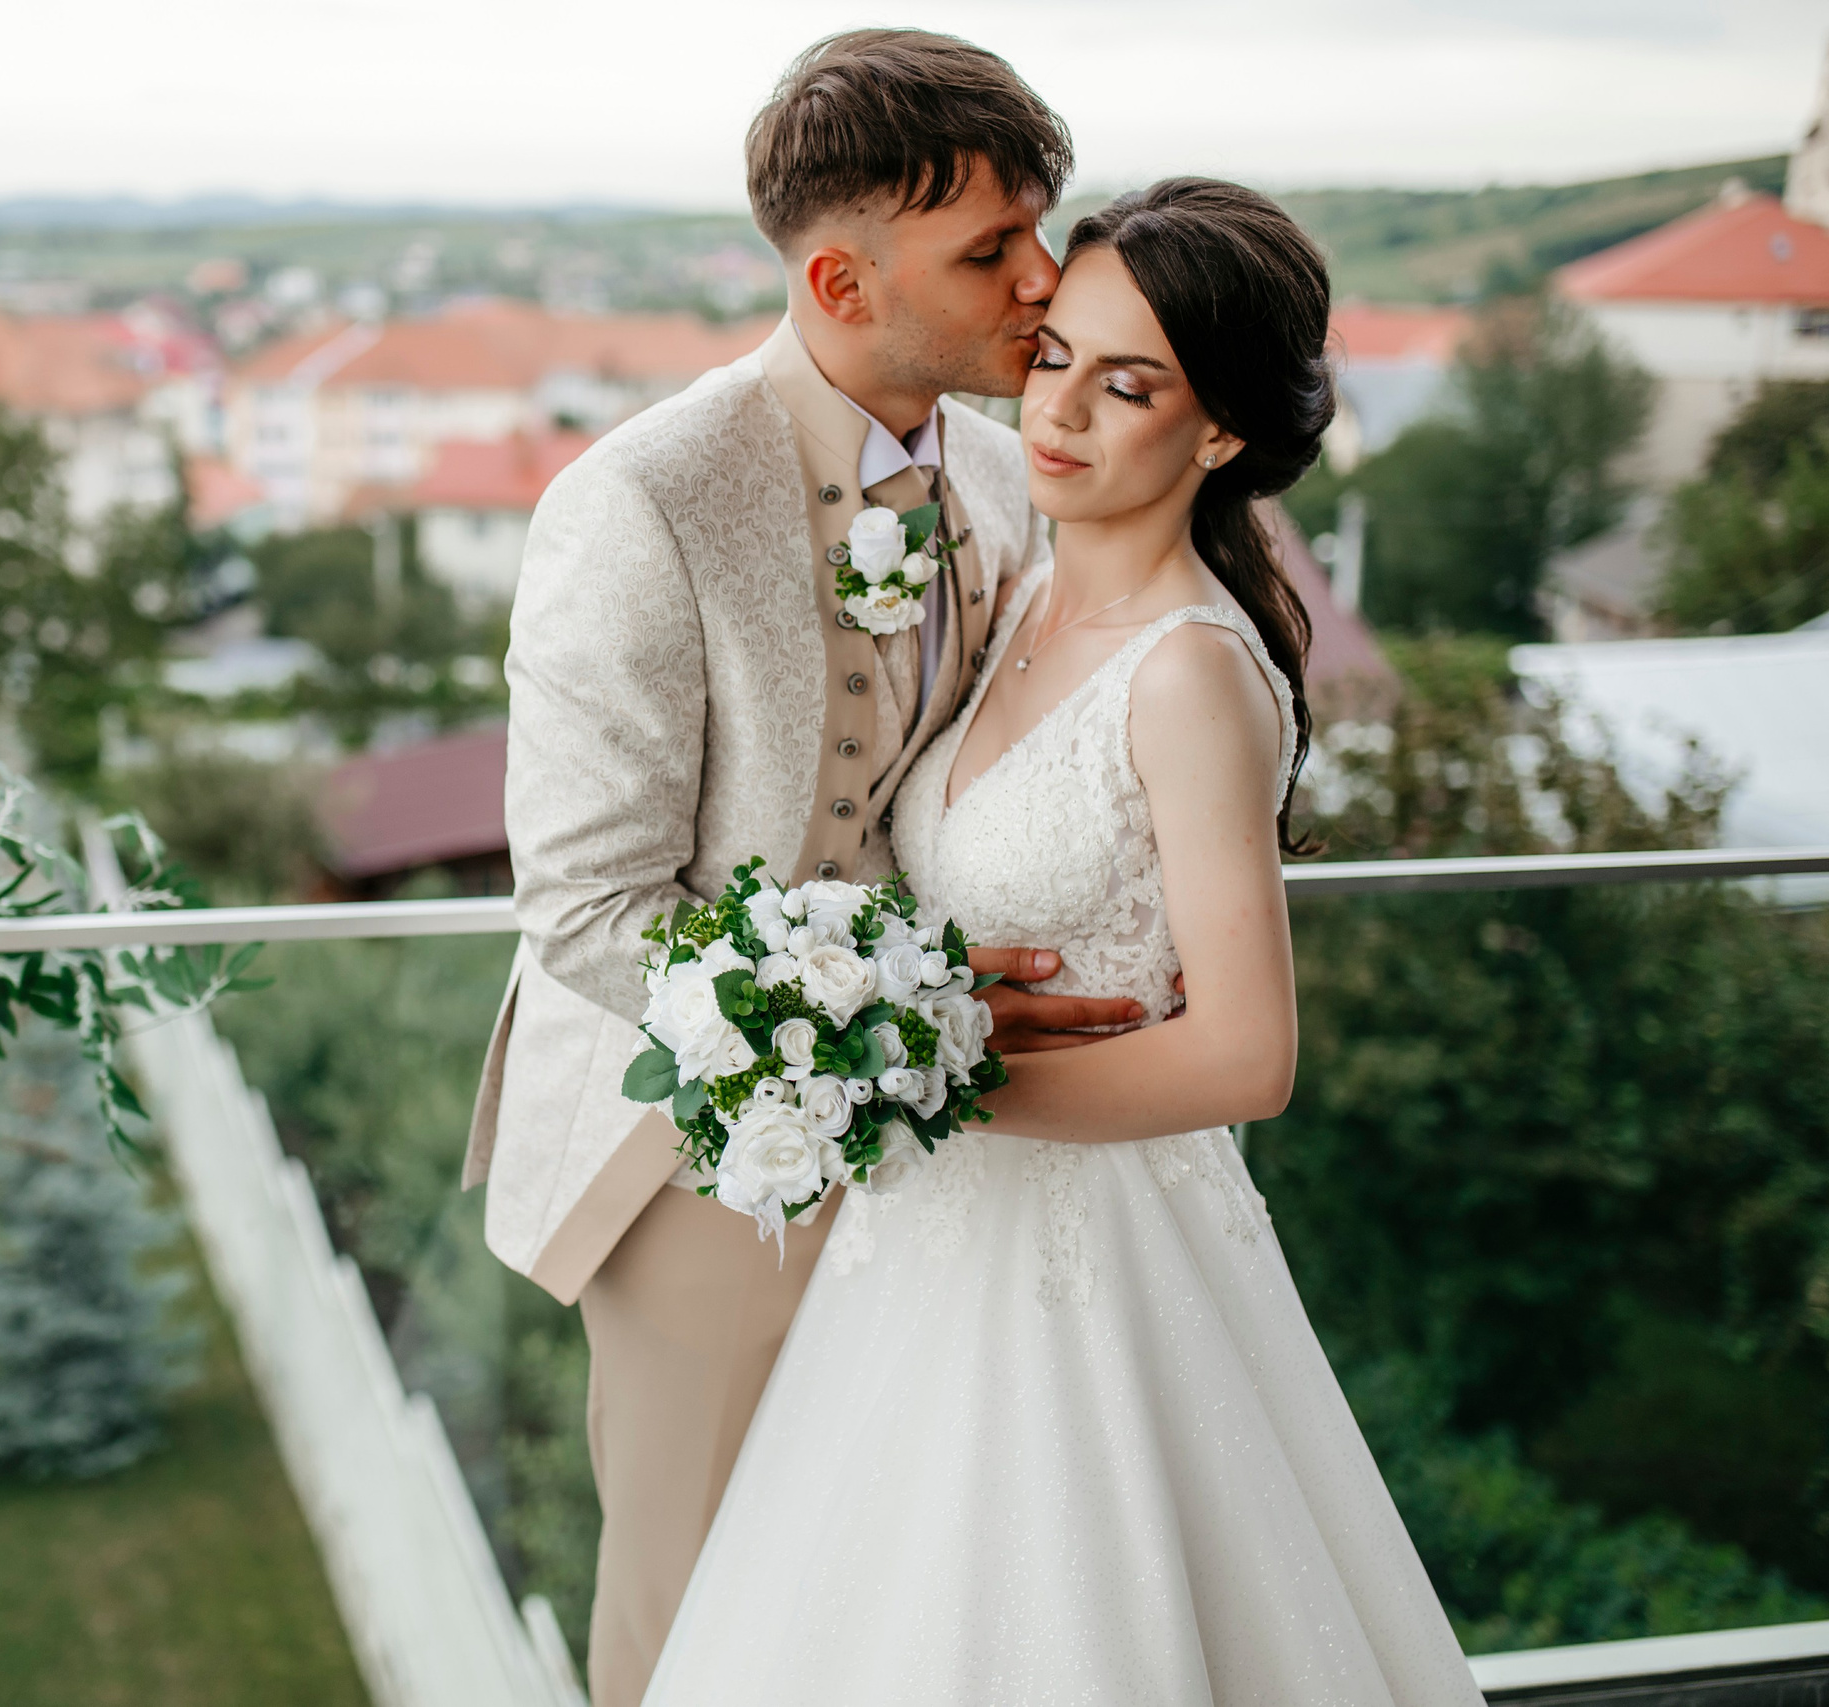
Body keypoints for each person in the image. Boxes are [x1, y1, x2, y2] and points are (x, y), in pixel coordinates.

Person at [640, 179, 1483, 1706]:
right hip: (926, 1249)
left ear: (1218, 432)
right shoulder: (1011, 588)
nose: (1065, 410)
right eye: (1053, 360)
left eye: (1131, 383)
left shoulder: (1189, 677)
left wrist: (908, 1084)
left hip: (1096, 1270)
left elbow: (1247, 1053)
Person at [460, 30, 1149, 1707]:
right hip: (692, 1147)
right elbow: (591, 910)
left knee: (908, 1597)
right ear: (842, 277)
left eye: (1039, 230)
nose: (1044, 284)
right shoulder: (639, 502)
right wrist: (900, 1019)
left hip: (960, 1166)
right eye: (991, 250)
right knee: (695, 1617)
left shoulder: (1002, 467)